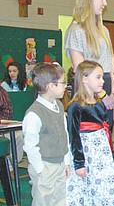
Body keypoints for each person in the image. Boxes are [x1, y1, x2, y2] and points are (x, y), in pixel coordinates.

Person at [66, 61, 114, 205]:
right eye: (98, 77)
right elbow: (74, 137)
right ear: (84, 79)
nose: (103, 81)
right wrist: (79, 164)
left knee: (104, 192)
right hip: (87, 156)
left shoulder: (99, 104)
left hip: (101, 157)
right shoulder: (76, 107)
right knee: (87, 193)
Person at [64, 0, 114, 129]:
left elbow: (111, 60)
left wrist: (113, 89)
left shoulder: (104, 30)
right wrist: (101, 94)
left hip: (106, 84)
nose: (105, 3)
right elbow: (80, 69)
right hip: (89, 88)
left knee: (107, 130)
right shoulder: (76, 31)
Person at [22, 63, 70, 205]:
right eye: (62, 83)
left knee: (61, 200)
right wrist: (40, 169)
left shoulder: (59, 106)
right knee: (43, 201)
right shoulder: (34, 113)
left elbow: (64, 134)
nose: (65, 86)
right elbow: (30, 145)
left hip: (60, 163)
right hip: (45, 165)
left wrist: (66, 161)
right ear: (50, 86)